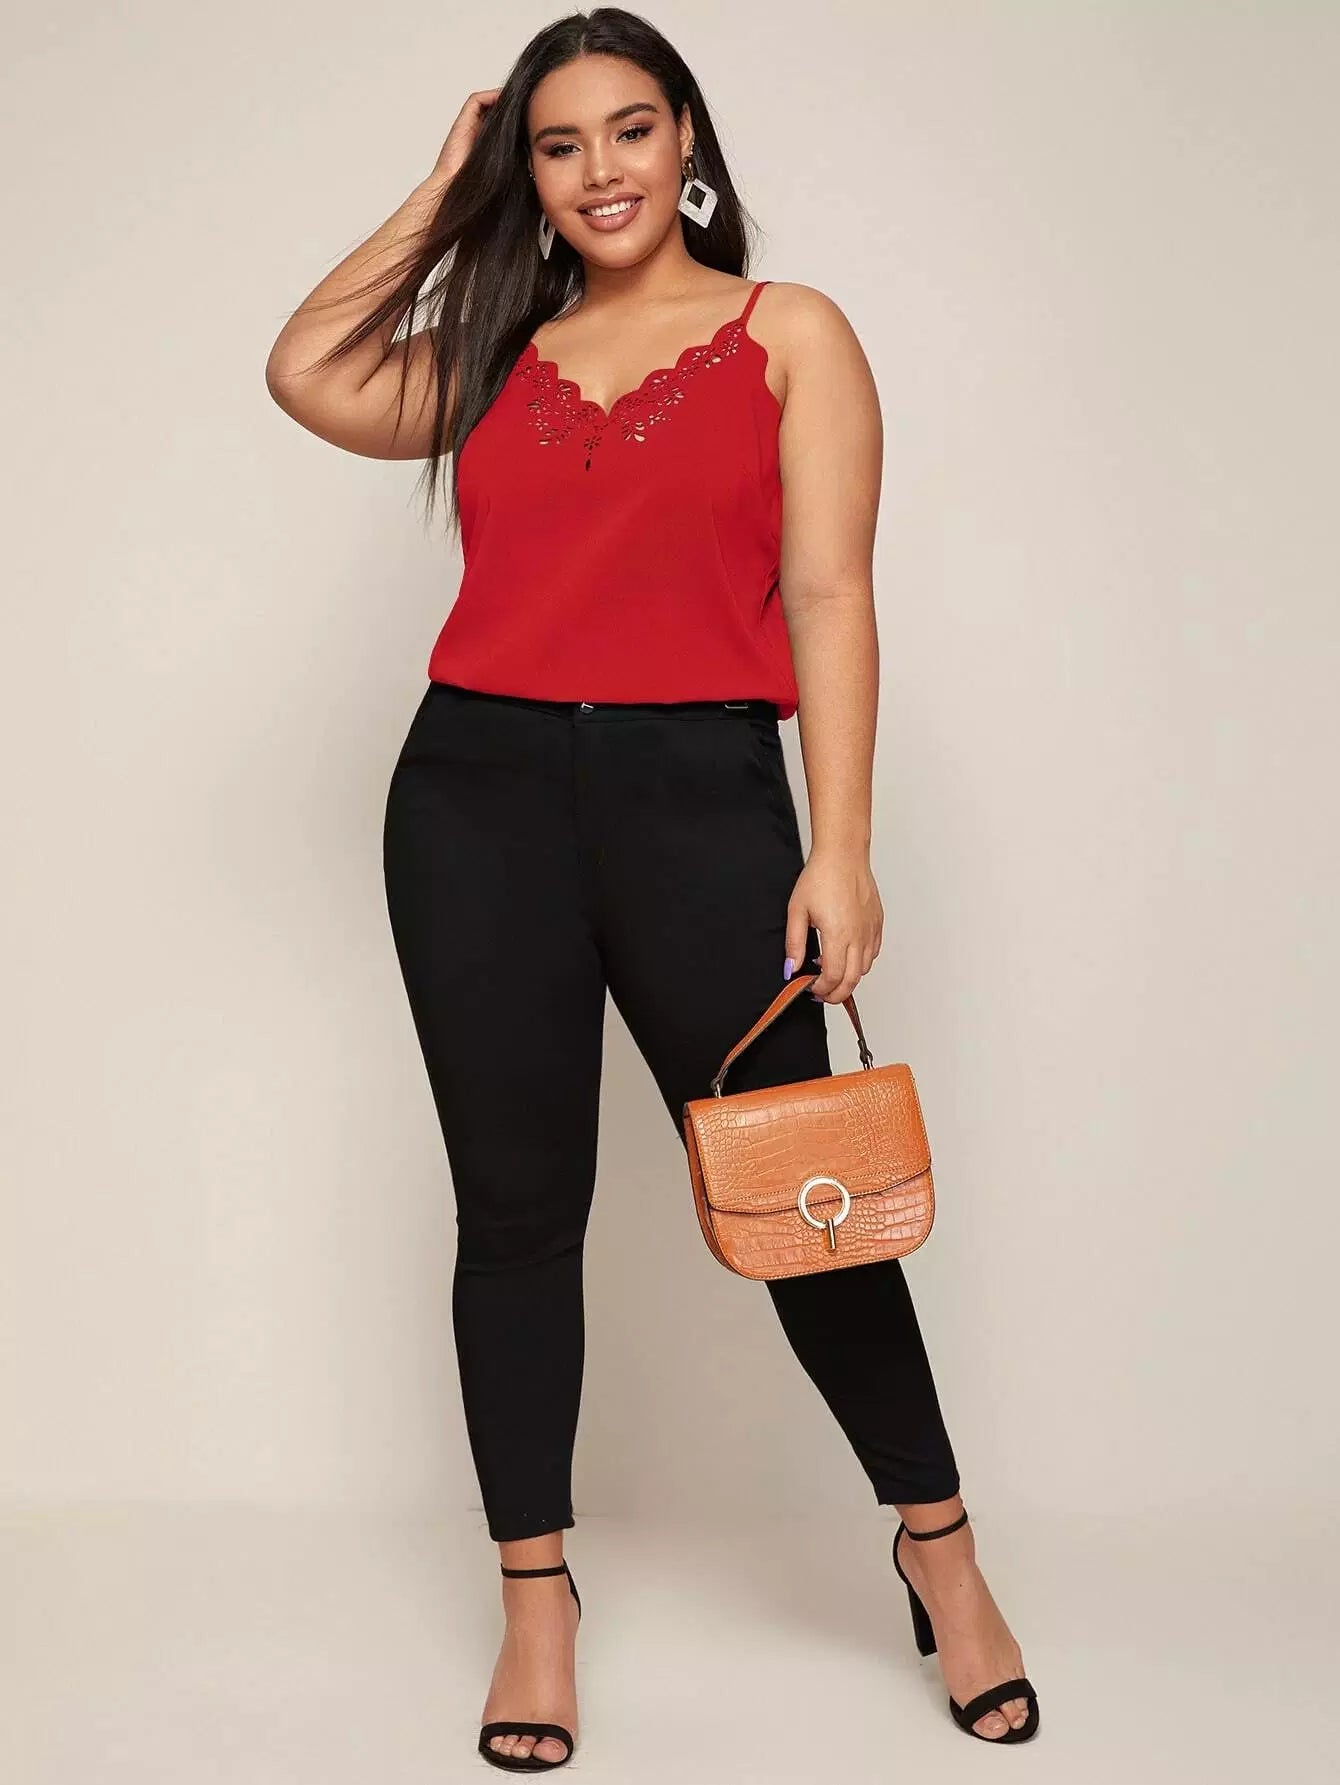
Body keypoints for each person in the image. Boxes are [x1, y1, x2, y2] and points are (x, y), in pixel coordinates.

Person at [265, 7, 1039, 1769]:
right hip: (472, 800)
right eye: (557, 144)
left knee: (807, 1196)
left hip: (701, 802)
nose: (600, 169)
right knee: (515, 1211)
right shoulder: (498, 349)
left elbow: (830, 595)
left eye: (629, 128)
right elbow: (307, 371)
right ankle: (538, 1600)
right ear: (527, 172)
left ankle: (943, 1550)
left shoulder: (789, 333)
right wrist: (442, 187)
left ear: (686, 138)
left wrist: (839, 843)